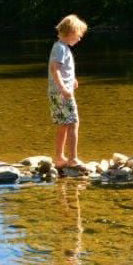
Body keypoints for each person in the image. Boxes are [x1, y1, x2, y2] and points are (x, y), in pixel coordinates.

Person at [48, 14, 88, 172]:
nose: (79, 39)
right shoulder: (61, 48)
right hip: (62, 93)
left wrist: (72, 79)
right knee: (73, 123)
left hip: (55, 92)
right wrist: (64, 88)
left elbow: (63, 69)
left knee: (63, 124)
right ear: (71, 32)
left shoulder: (60, 47)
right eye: (79, 35)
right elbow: (55, 69)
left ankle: (59, 158)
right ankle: (72, 159)